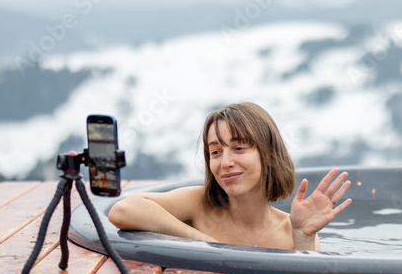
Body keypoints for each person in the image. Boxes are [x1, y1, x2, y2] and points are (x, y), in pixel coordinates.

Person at [107, 102, 351, 250]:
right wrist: (203, 242)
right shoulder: (199, 204)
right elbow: (122, 211)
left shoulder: (292, 229)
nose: (225, 163)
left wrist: (303, 237)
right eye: (215, 151)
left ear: (268, 154)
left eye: (239, 148)